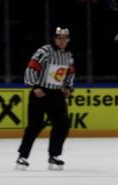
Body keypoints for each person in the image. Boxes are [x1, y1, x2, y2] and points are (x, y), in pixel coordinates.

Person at [16, 27, 75, 171]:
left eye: (64, 39)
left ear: (68, 40)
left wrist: (68, 87)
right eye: (59, 38)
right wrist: (35, 86)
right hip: (40, 93)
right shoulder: (44, 51)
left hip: (57, 94)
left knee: (62, 124)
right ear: (55, 38)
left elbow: (70, 73)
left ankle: (54, 155)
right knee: (35, 126)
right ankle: (22, 156)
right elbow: (31, 69)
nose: (62, 41)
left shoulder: (68, 56)